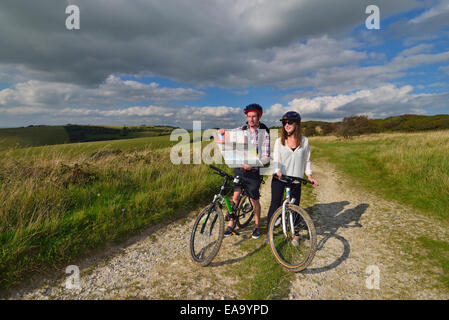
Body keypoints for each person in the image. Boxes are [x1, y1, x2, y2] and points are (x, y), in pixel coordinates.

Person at [218, 103, 270, 239]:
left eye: (254, 116)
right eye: (249, 116)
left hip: (253, 171)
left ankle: (257, 225)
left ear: (259, 116)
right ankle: (231, 223)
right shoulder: (241, 129)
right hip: (240, 169)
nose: (251, 119)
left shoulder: (264, 134)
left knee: (254, 199)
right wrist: (223, 133)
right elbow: (228, 136)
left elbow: (265, 156)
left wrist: (253, 164)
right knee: (235, 197)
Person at [266, 111, 319, 244]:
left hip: (295, 179)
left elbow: (307, 160)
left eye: (290, 122)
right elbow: (276, 159)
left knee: (295, 205)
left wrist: (310, 175)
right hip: (280, 178)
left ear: (297, 124)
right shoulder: (279, 141)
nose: (287, 125)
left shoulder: (304, 141)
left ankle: (296, 234)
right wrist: (277, 171)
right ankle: (269, 231)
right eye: (284, 123)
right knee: (275, 204)